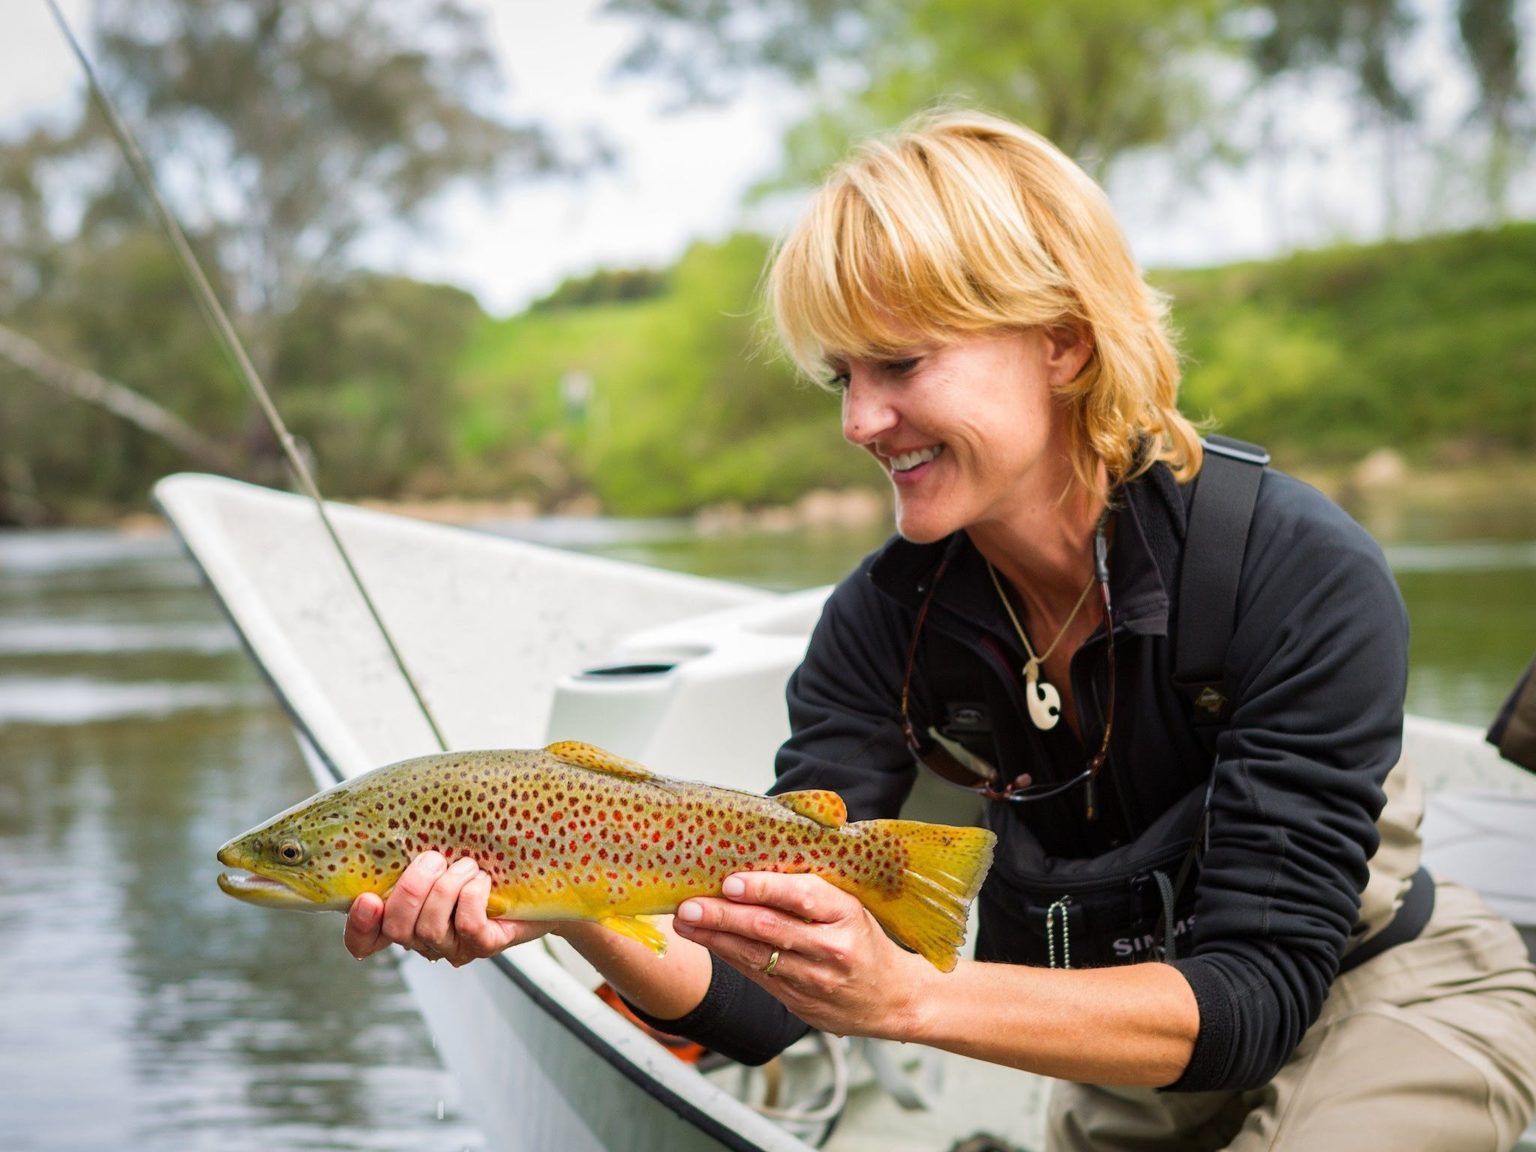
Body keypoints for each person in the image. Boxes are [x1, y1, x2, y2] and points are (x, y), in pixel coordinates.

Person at [343, 109, 1536, 1150]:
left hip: (1379, 998)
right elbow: (764, 1007)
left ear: (1062, 341)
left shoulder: (1294, 570)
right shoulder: (881, 626)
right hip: (1119, 1065)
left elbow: (1259, 994)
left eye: (902, 363)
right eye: (840, 378)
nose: (861, 420)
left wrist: (909, 998)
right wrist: (558, 910)